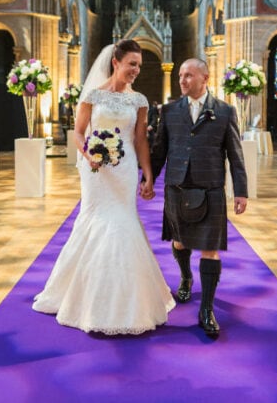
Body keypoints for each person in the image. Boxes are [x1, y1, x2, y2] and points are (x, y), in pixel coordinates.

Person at [32, 40, 175, 334]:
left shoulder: (139, 101)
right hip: (95, 170)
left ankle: (127, 303)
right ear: (116, 62)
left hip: (124, 170)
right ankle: (84, 297)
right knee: (94, 220)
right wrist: (89, 155)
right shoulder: (93, 96)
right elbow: (79, 132)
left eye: (139, 65)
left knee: (123, 222)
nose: (136, 70)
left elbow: (140, 140)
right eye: (132, 64)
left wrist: (148, 175)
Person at [150, 58, 248, 338]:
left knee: (210, 248)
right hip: (177, 187)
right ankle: (185, 277)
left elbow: (235, 155)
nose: (182, 80)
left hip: (210, 188)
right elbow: (159, 151)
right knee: (180, 241)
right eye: (180, 75)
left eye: (188, 75)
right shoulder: (168, 111)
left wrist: (240, 190)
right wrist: (148, 180)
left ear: (205, 77)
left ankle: (206, 308)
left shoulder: (225, 111)